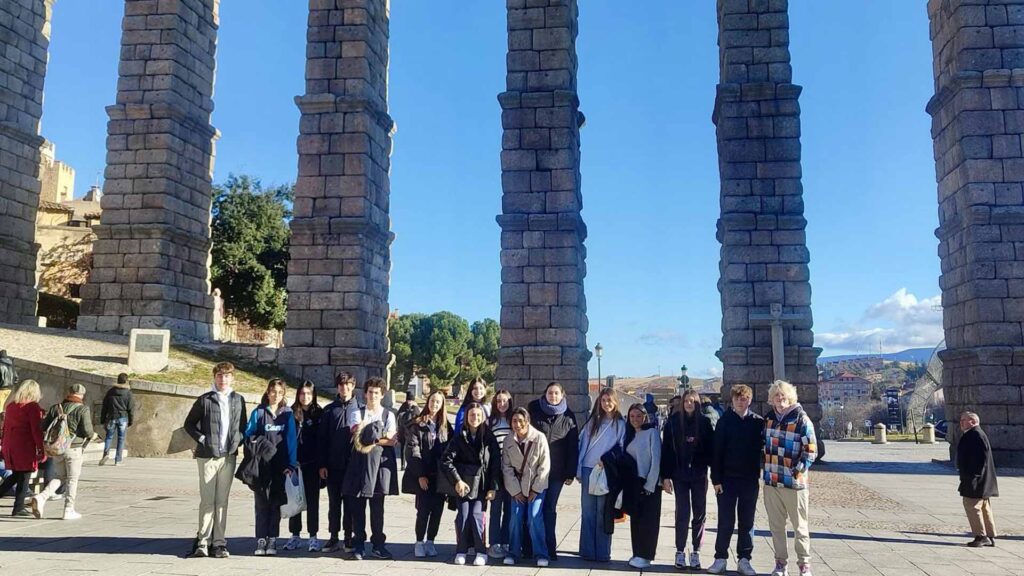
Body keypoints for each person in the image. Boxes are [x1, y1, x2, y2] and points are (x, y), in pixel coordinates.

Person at [184, 362, 247, 559]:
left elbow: (242, 426)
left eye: (227, 376)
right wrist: (203, 439)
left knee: (222, 501)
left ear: (232, 378)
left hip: (228, 456)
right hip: (207, 456)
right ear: (214, 378)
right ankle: (203, 541)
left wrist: (238, 441)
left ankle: (219, 543)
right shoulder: (205, 400)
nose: (223, 379)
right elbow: (189, 424)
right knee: (207, 500)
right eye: (220, 376)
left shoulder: (238, 400)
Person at [763, 380, 817, 576]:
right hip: (772, 481)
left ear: (790, 396)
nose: (780, 398)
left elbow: (811, 450)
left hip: (794, 484)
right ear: (772, 399)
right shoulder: (768, 419)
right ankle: (780, 564)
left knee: (800, 527)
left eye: (783, 394)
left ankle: (804, 565)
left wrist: (797, 471)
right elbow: (762, 446)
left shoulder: (801, 420)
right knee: (776, 527)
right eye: (776, 395)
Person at [708, 384, 763, 576]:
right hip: (727, 480)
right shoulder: (724, 422)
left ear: (750, 400)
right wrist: (716, 479)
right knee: (725, 521)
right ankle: (720, 558)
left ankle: (744, 560)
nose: (741, 401)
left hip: (749, 480)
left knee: (747, 522)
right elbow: (716, 453)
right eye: (738, 398)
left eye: (745, 398)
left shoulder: (758, 422)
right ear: (732, 400)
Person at [342, 376, 399, 560]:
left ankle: (378, 544)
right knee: (357, 508)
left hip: (380, 466)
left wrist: (370, 437)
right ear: (365, 394)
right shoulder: (357, 412)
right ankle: (359, 544)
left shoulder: (388, 414)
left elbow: (392, 440)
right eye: (370, 392)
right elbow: (357, 435)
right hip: (358, 465)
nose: (373, 395)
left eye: (377, 392)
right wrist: (377, 437)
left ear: (382, 395)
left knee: (377, 509)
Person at [440, 401, 500, 566]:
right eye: (472, 415)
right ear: (466, 417)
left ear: (483, 417)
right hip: (464, 484)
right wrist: (457, 480)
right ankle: (461, 550)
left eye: (478, 415)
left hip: (481, 485)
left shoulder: (489, 437)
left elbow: (495, 463)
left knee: (477, 515)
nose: (475, 418)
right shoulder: (459, 437)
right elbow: (446, 460)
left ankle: (481, 551)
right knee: (463, 515)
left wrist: (493, 487)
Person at [242, 379, 298, 556]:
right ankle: (260, 539)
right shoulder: (258, 413)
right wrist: (254, 442)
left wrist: (291, 464)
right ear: (267, 392)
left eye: (280, 392)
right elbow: (248, 435)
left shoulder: (287, 414)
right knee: (261, 504)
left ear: (283, 395)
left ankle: (272, 538)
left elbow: (291, 441)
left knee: (275, 504)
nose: (276, 395)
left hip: (279, 466)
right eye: (273, 391)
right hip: (261, 466)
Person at [662, 388, 714, 570]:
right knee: (682, 512)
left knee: (699, 513)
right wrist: (666, 476)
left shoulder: (705, 423)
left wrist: (714, 475)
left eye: (692, 401)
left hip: (699, 474)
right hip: (679, 475)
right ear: (682, 403)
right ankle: (680, 550)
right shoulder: (673, 423)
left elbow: (711, 450)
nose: (689, 404)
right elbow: (666, 451)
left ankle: (696, 552)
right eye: (686, 401)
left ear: (698, 403)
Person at [527, 381, 578, 562]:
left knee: (549, 509)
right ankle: (530, 547)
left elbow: (573, 447)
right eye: (550, 393)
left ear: (562, 395)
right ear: (545, 394)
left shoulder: (569, 417)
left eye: (556, 393)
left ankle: (549, 548)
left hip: (557, 472)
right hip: (535, 471)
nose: (553, 396)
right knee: (534, 511)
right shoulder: (534, 411)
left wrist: (571, 472)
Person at [34, 383, 98, 521]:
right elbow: (87, 431)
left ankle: (41, 497)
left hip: (57, 448)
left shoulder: (56, 408)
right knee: (72, 479)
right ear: (81, 395)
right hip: (74, 447)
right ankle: (69, 509)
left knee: (61, 476)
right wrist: (94, 436)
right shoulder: (83, 409)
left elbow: (43, 426)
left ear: (68, 393)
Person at [577, 387, 625, 562]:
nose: (606, 404)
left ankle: (603, 551)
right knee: (588, 512)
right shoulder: (593, 421)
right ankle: (587, 550)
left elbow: (621, 448)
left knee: (603, 513)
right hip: (589, 469)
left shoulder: (620, 424)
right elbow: (583, 445)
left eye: (609, 400)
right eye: (603, 400)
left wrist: (607, 459)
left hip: (606, 471)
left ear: (615, 401)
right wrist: (579, 469)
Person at [404, 389, 453, 558]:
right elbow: (412, 450)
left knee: (437, 510)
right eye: (432, 401)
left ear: (442, 405)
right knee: (423, 510)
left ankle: (431, 541)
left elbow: (451, 449)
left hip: (440, 476)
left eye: (438, 402)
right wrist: (420, 474)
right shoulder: (417, 424)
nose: (435, 404)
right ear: (428, 402)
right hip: (424, 474)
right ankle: (419, 541)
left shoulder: (445, 425)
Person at [501, 407, 551, 567]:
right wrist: (515, 491)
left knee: (534, 516)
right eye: (514, 421)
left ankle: (541, 553)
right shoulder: (509, 440)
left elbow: (545, 465)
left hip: (537, 485)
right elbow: (506, 468)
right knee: (515, 517)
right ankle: (513, 552)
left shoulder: (539, 438)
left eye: (521, 421)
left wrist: (536, 489)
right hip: (517, 487)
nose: (517, 424)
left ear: (527, 421)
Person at [318, 371, 360, 554]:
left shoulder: (360, 409)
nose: (344, 388)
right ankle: (333, 536)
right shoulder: (329, 410)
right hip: (333, 465)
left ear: (353, 386)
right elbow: (322, 439)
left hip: (352, 466)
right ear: (338, 387)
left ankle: (348, 537)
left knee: (350, 504)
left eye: (348, 384)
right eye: (341, 385)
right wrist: (322, 464)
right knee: (334, 503)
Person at [285, 380, 324, 552]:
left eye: (308, 393)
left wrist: (322, 463)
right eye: (302, 393)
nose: (305, 397)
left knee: (312, 500)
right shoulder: (292, 412)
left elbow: (323, 440)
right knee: (294, 499)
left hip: (312, 464)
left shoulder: (319, 413)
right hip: (295, 464)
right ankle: (294, 535)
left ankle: (313, 536)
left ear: (313, 394)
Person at [625, 403, 662, 569]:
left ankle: (645, 555)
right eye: (632, 416)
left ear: (645, 417)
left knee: (649, 521)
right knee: (637, 521)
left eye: (638, 416)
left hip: (649, 483)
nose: (635, 419)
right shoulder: (631, 434)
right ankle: (637, 552)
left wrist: (651, 484)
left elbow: (656, 459)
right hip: (635, 483)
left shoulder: (652, 433)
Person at [1, 380, 45, 517]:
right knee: (24, 477)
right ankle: (18, 507)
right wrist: (41, 448)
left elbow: (5, 428)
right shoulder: (32, 407)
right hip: (24, 446)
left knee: (15, 475)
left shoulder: (11, 406)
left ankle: (18, 506)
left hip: (10, 444)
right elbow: (35, 430)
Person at [957, 411, 998, 548]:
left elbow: (980, 459)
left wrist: (972, 477)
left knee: (972, 505)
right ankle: (990, 535)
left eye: (964, 420)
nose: (961, 423)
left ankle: (981, 536)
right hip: (982, 480)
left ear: (973, 422)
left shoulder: (975, 435)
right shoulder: (975, 434)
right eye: (961, 420)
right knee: (985, 507)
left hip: (976, 480)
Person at [487, 389, 514, 558]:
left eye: (504, 401)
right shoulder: (491, 422)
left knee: (510, 510)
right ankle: (494, 543)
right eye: (498, 401)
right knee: (496, 509)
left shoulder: (514, 420)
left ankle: (506, 541)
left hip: (511, 471)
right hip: (495, 471)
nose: (502, 404)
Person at [99, 373, 136, 466]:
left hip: (111, 417)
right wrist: (131, 420)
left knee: (109, 437)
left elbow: (105, 406)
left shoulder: (110, 392)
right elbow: (131, 408)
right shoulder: (128, 393)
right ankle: (118, 460)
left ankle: (106, 454)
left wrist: (102, 419)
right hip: (123, 418)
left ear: (118, 380)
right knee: (121, 438)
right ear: (126, 381)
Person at [396, 397, 419, 471]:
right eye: (408, 400)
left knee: (411, 449)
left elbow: (418, 417)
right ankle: (403, 465)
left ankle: (410, 464)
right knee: (402, 448)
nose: (409, 402)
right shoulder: (403, 406)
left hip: (411, 432)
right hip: (403, 430)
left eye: (410, 400)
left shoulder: (415, 408)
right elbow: (398, 415)